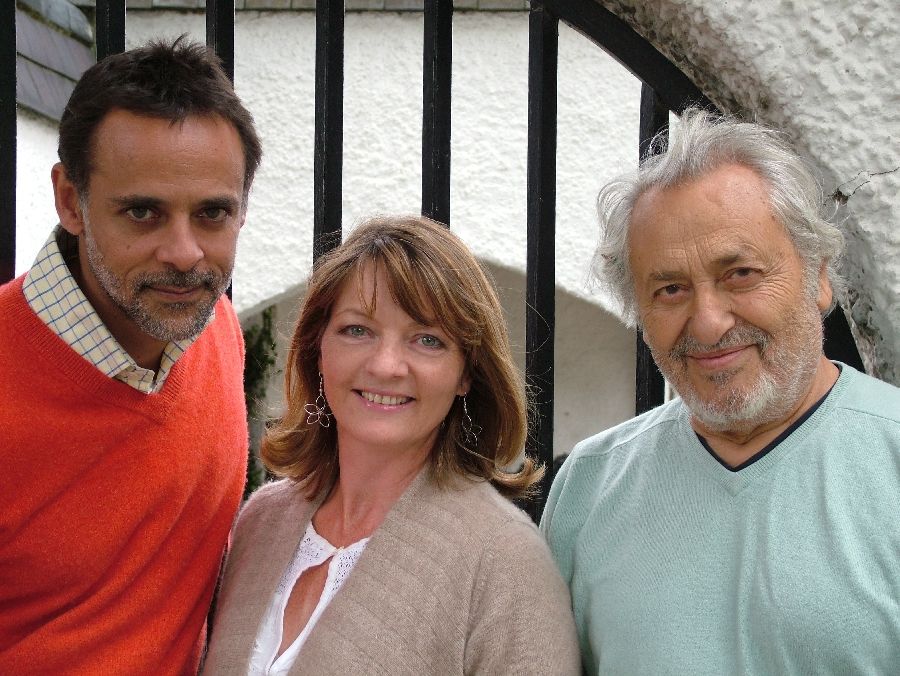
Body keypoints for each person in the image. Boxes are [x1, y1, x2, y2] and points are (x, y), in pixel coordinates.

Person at [542, 108, 900, 674]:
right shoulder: (589, 485)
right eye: (670, 289)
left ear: (818, 276)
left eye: (741, 274)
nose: (708, 324)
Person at [202, 215, 580, 675]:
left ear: (466, 373)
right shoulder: (262, 522)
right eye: (357, 330)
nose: (385, 365)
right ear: (318, 350)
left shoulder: (504, 561)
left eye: (427, 340)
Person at [0, 37, 262, 674]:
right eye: (143, 212)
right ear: (71, 201)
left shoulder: (217, 330)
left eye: (213, 213)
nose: (184, 253)